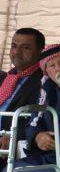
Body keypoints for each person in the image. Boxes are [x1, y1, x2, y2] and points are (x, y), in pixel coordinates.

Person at [0, 29, 46, 158]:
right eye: (14, 46)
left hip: (11, 142)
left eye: (25, 47)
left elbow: (40, 118)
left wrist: (14, 136)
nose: (17, 52)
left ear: (40, 52)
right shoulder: (5, 77)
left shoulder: (44, 81)